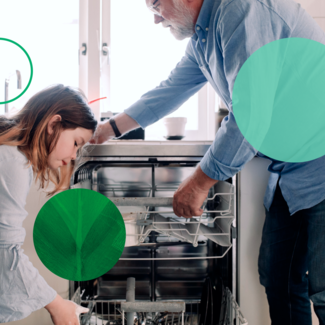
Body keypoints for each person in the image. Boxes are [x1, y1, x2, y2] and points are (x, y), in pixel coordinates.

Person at [90, 0, 325, 324]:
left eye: (156, 5)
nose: (156, 19)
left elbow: (250, 116)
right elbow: (171, 89)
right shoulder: (205, 35)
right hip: (291, 170)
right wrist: (109, 129)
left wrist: (200, 183)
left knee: (324, 289)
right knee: (279, 279)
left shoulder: (241, 10)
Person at [0, 84, 97, 324]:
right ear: (53, 124)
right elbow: (5, 252)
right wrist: (56, 304)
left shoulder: (12, 156)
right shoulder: (13, 161)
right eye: (76, 142)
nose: (74, 156)